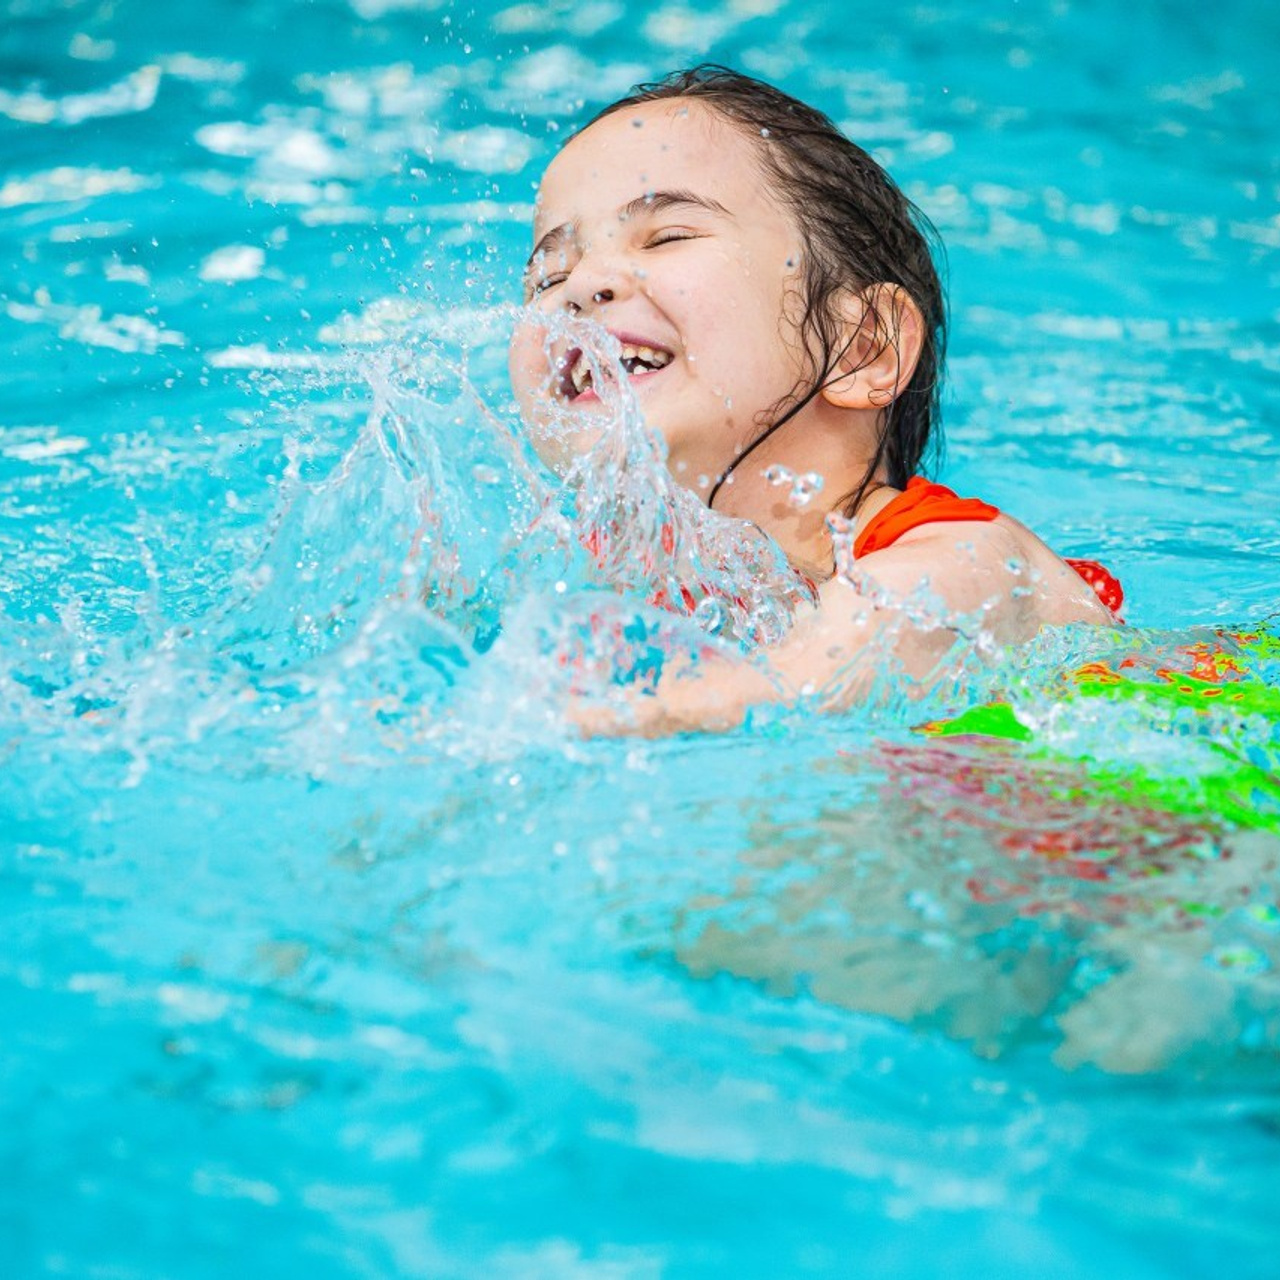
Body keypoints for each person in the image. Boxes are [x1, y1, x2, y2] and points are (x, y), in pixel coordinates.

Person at [507, 66, 1119, 734]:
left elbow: (813, 679)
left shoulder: (964, 561)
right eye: (549, 275)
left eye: (668, 236)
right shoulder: (600, 580)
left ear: (861, 348)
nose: (582, 285)